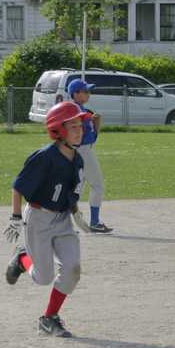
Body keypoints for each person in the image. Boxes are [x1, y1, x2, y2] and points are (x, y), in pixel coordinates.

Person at [4, 101, 88, 338]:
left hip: (63, 221)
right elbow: (19, 187)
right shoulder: (44, 157)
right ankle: (22, 259)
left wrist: (76, 213)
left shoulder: (78, 160)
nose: (79, 130)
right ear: (58, 131)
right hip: (39, 219)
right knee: (43, 278)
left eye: (80, 125)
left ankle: (49, 318)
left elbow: (70, 192)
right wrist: (15, 217)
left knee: (72, 269)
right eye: (73, 126)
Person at [67, 78, 112, 233]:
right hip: (83, 151)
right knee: (97, 185)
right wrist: (92, 120)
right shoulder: (76, 110)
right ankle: (94, 221)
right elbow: (80, 133)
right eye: (85, 91)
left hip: (81, 150)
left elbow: (92, 136)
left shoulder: (80, 110)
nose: (88, 94)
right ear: (75, 94)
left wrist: (95, 123)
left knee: (76, 188)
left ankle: (63, 224)